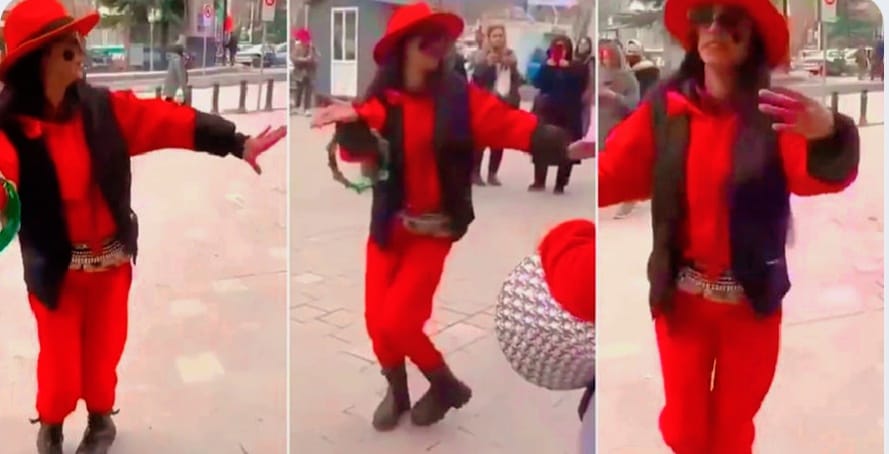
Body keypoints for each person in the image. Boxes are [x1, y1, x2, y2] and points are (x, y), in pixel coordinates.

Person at [0, 0, 286, 452]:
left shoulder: (104, 110)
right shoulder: (10, 129)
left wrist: (235, 141)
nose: (81, 55)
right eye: (69, 49)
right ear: (38, 61)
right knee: (60, 368)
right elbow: (4, 176)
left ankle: (101, 422)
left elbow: (167, 120)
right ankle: (51, 425)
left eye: (79, 45)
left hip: (110, 269)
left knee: (102, 358)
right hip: (56, 274)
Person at [598, 0, 860, 452]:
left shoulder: (774, 115)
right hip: (682, 304)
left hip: (750, 306)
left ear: (752, 39)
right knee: (685, 431)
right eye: (704, 16)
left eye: (730, 20)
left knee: (732, 431)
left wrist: (830, 134)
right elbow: (612, 174)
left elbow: (820, 177)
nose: (714, 28)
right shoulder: (664, 111)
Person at [310, 2, 571, 432]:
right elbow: (356, 151)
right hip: (389, 226)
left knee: (401, 321)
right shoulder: (381, 101)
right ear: (403, 47)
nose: (438, 47)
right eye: (427, 39)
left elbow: (506, 123)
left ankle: (444, 384)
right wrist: (352, 127)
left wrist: (556, 143)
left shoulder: (458, 97)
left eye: (441, 39)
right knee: (377, 323)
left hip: (434, 229)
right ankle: (398, 391)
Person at [530, 35, 588, 194]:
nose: (560, 50)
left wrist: (567, 68)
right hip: (547, 111)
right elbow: (537, 84)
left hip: (569, 113)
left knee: (567, 147)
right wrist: (548, 67)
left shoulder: (578, 67)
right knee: (542, 144)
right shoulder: (547, 65)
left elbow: (581, 85)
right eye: (557, 47)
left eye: (563, 47)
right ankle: (539, 180)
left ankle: (560, 183)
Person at [470, 24, 522, 186]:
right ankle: (475, 172)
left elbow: (518, 80)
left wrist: (511, 65)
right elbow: (476, 79)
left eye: (501, 35)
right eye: (495, 36)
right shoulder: (481, 56)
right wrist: (487, 64)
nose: (498, 39)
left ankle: (493, 173)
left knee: (499, 140)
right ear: (489, 38)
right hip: (486, 101)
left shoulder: (510, 56)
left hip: (505, 101)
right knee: (481, 139)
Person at [598, 39, 640, 219]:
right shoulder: (599, 74)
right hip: (601, 124)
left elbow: (634, 103)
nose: (604, 59)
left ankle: (630, 198)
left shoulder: (627, 77)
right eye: (602, 55)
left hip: (619, 124)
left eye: (607, 55)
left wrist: (614, 96)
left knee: (622, 164)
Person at [292, 29, 318, 117]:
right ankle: (297, 107)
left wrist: (313, 59)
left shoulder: (312, 48)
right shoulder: (297, 48)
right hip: (300, 73)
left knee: (308, 92)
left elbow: (316, 58)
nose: (306, 42)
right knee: (299, 91)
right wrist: (304, 60)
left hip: (309, 73)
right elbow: (294, 58)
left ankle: (307, 109)